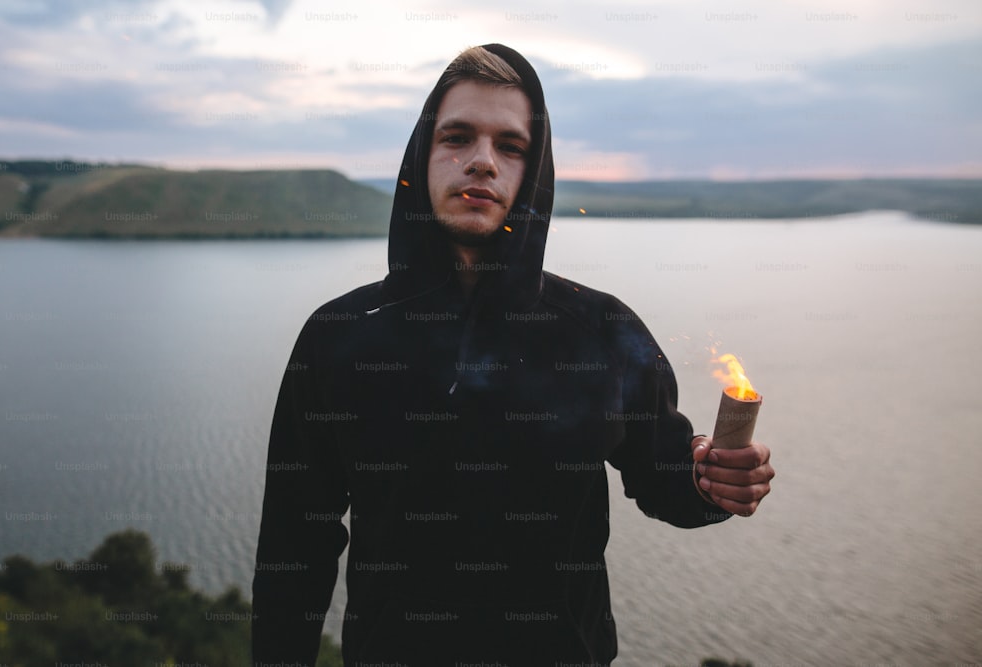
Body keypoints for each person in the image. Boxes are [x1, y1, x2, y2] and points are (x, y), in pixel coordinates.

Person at [252, 43, 774, 666]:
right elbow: (294, 551)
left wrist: (713, 483)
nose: (482, 162)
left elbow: (666, 479)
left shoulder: (600, 330)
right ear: (421, 157)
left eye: (510, 146)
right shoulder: (339, 337)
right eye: (458, 138)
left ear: (534, 171)